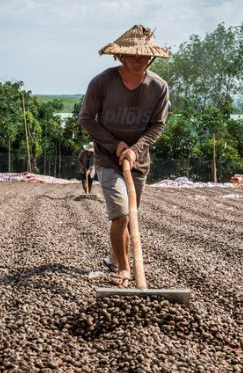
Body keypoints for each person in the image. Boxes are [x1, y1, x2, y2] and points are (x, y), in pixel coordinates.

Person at [79, 25, 170, 287]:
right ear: (121, 56)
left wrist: (135, 149)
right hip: (107, 157)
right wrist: (116, 145)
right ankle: (124, 268)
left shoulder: (159, 87)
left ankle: (114, 257)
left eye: (144, 56)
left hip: (138, 162)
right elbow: (86, 119)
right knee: (120, 214)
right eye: (133, 55)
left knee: (130, 216)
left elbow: (158, 125)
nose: (139, 60)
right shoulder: (102, 82)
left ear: (151, 57)